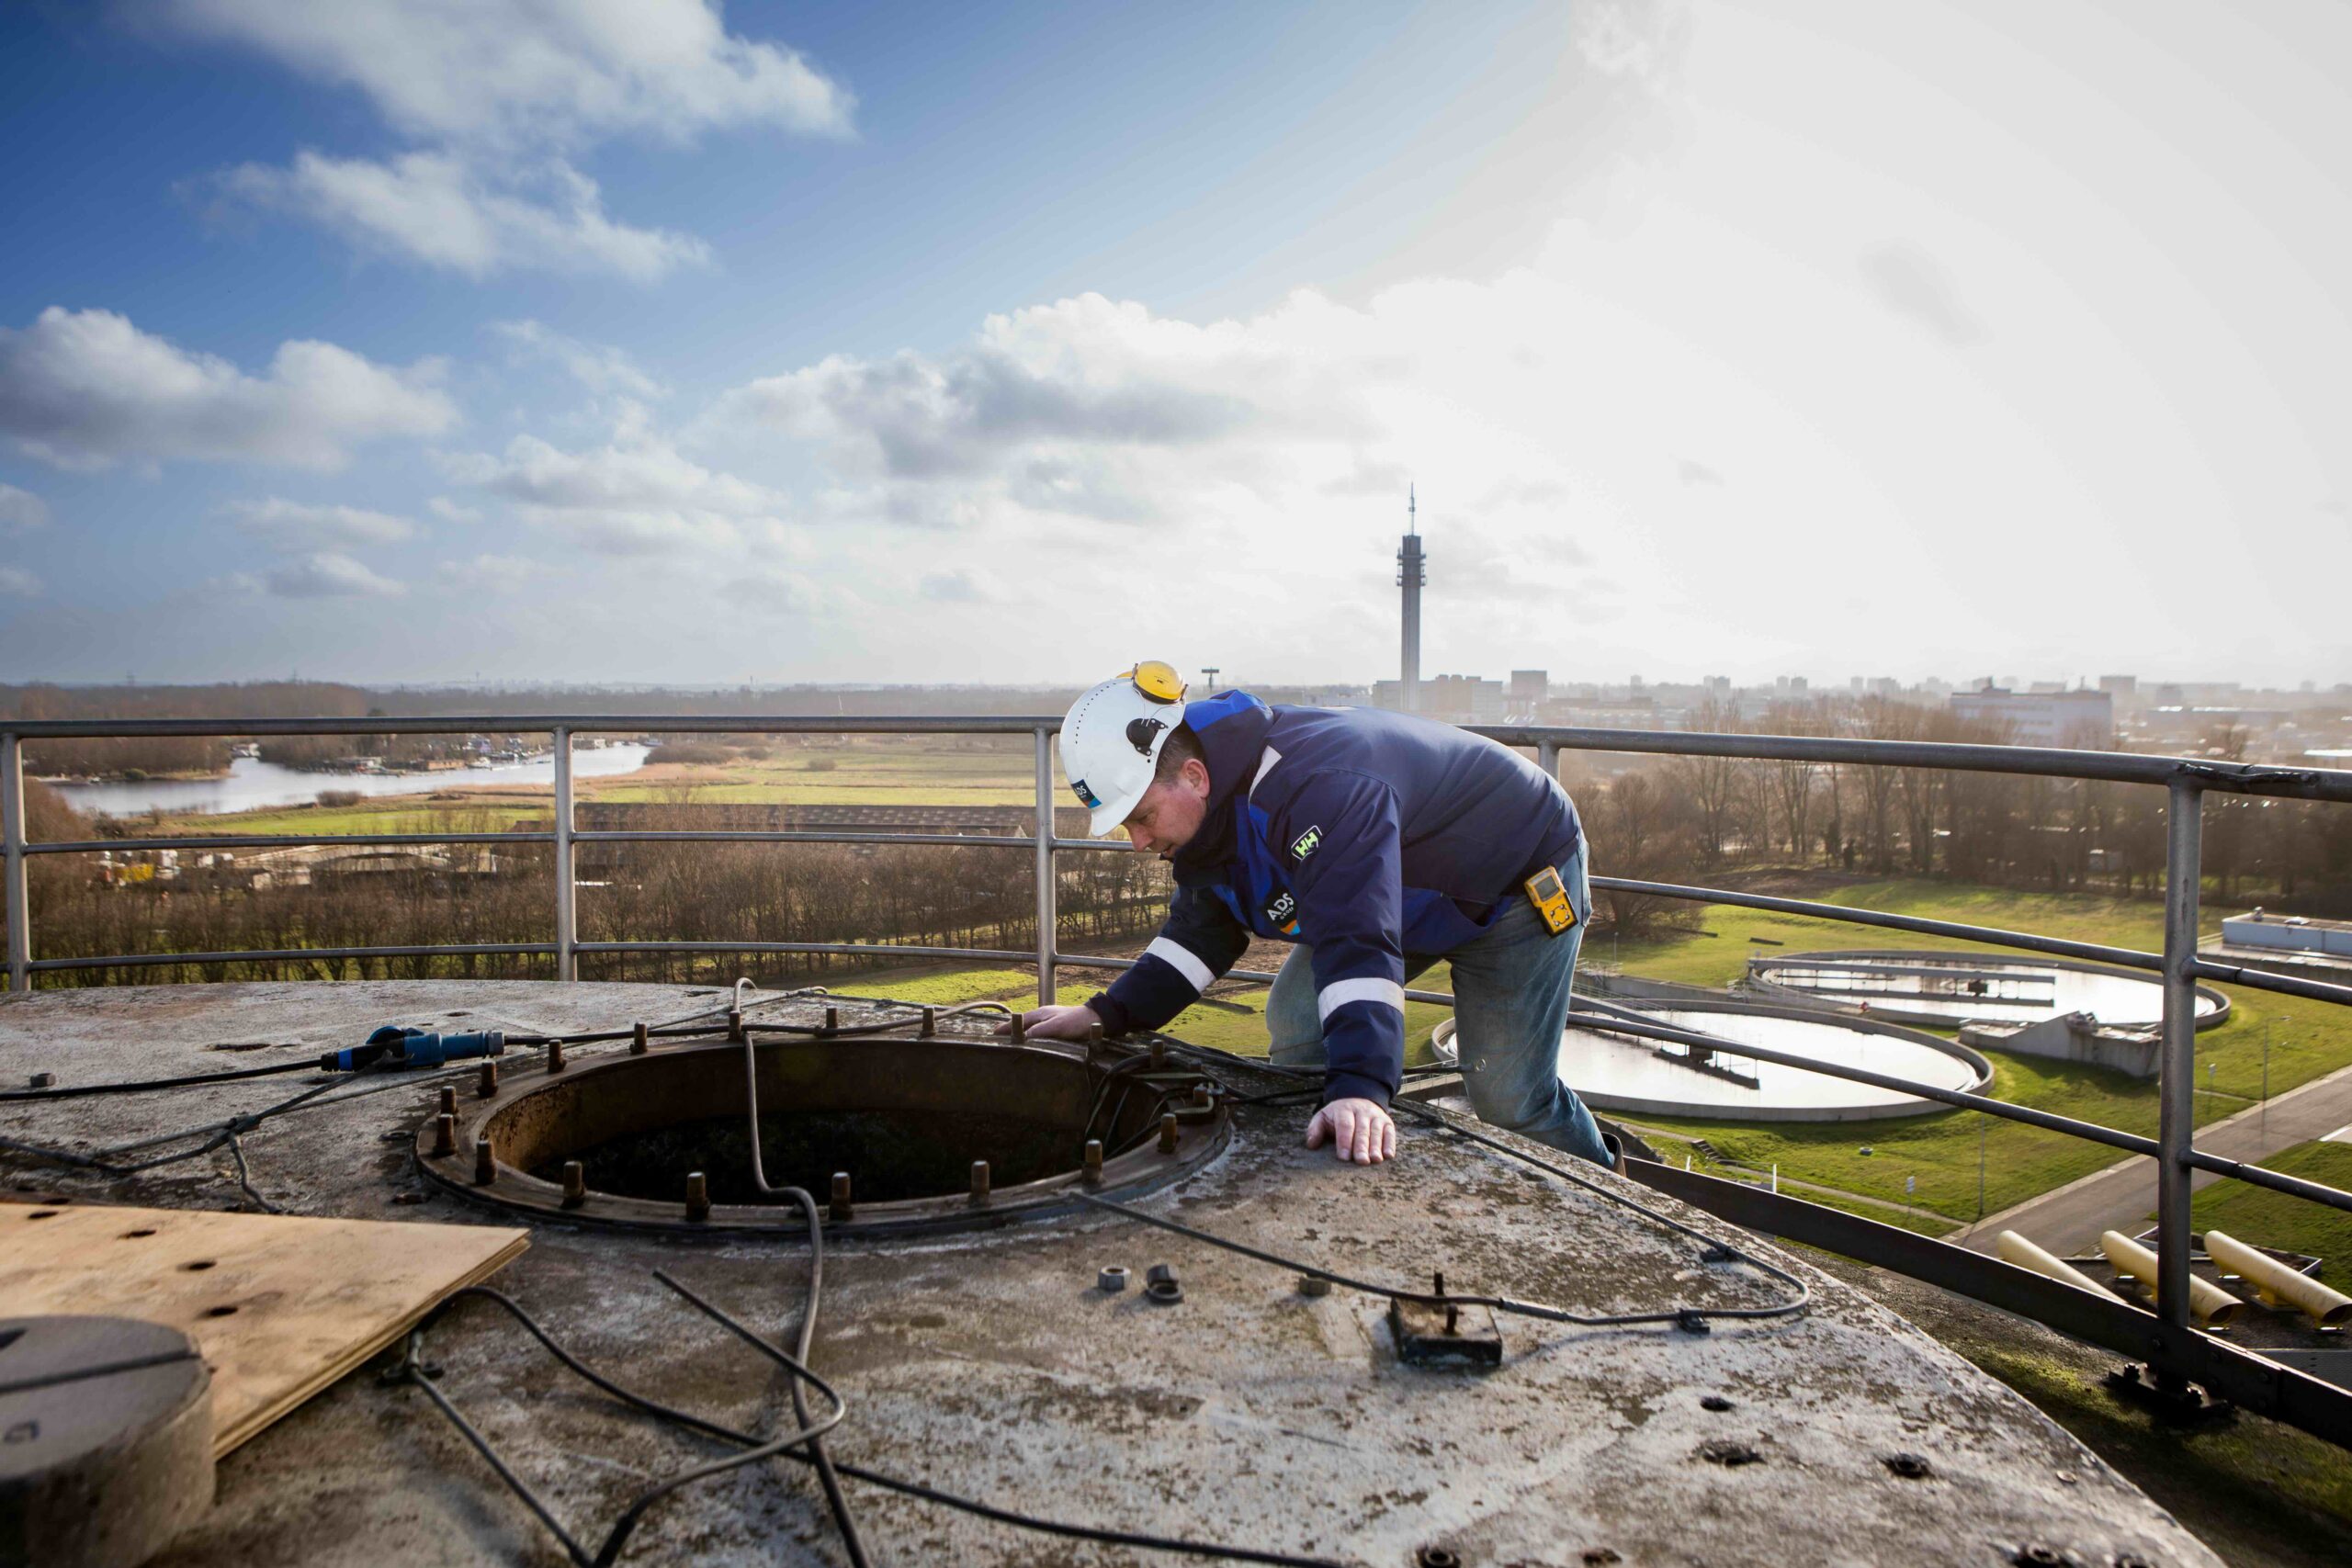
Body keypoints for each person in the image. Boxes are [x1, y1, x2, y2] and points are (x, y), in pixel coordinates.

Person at [1005, 662, 1609, 1169]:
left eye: (1140, 817)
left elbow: (1357, 935)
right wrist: (1102, 1014)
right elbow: (1200, 934)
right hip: (1407, 890)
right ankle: (1330, 1179)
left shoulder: (1315, 784)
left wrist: (1361, 1087)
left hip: (1515, 879)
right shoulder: (1211, 814)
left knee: (1510, 1097)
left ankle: (1618, 1193)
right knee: (1297, 1017)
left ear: (1192, 776)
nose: (1137, 841)